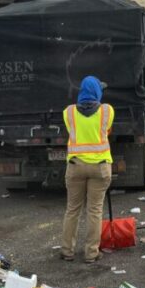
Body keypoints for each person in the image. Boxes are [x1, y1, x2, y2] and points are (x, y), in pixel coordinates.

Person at [61, 76, 114, 263]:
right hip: (100, 168)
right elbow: (106, 131)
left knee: (72, 210)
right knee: (94, 210)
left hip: (75, 167)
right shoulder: (107, 111)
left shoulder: (68, 112)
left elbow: (72, 132)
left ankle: (67, 251)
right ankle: (91, 253)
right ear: (97, 92)